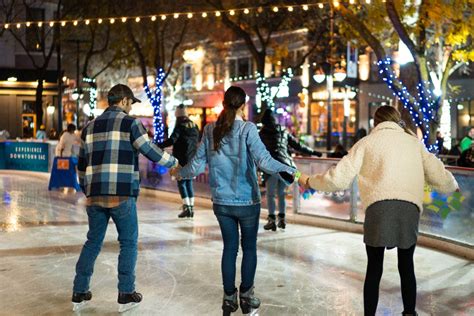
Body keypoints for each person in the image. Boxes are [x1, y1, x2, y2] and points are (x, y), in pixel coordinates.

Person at [298, 106, 458, 316]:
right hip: (408, 209)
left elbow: (339, 178)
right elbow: (437, 172)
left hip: (378, 208)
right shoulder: (413, 143)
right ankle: (409, 312)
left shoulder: (366, 143)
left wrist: (310, 181)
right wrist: (453, 185)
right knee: (406, 265)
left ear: (376, 122)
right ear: (397, 120)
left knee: (374, 269)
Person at [172, 86, 296, 315]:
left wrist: (179, 172)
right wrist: (293, 173)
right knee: (248, 249)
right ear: (242, 106)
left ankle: (229, 299)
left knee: (229, 249)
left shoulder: (210, 130)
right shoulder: (248, 129)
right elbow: (265, 161)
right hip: (247, 201)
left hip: (222, 202)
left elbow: (196, 166)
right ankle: (247, 297)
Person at [72, 84, 178, 313]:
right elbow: (148, 150)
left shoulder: (89, 127)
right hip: (121, 194)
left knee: (93, 241)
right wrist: (173, 162)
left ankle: (79, 290)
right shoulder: (131, 124)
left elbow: (81, 164)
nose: (131, 107)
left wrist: (86, 188)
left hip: (95, 195)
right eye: (131, 103)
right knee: (128, 242)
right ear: (123, 101)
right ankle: (126, 292)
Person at [259, 109, 321, 231]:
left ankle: (271, 220)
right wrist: (314, 152)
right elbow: (297, 145)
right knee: (281, 194)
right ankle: (282, 219)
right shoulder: (283, 131)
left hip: (271, 167)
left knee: (271, 194)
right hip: (286, 167)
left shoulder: (262, 134)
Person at [159, 104, 200, 218]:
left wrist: (159, 145)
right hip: (192, 159)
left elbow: (172, 140)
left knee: (181, 183)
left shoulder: (180, 126)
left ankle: (187, 208)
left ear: (178, 115)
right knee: (189, 183)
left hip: (181, 160)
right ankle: (191, 208)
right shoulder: (194, 125)